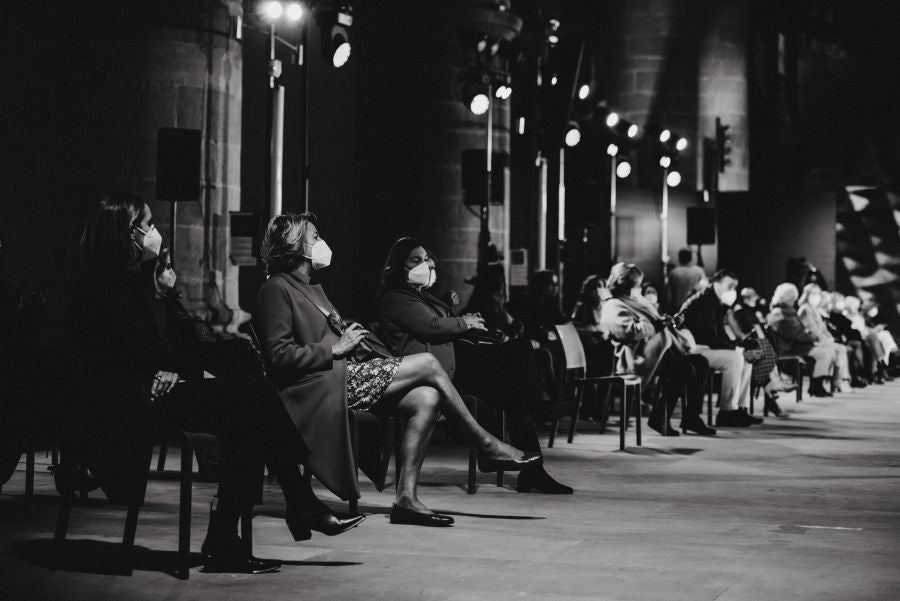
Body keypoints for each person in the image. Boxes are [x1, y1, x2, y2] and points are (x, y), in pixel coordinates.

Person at [64, 195, 364, 575]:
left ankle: (238, 533)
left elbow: (190, 343)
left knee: (249, 417)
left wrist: (171, 303)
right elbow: (124, 351)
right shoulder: (99, 287)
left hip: (159, 389)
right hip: (125, 401)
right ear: (129, 234)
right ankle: (294, 504)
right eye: (149, 225)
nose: (156, 232)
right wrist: (168, 365)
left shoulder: (143, 282)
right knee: (252, 402)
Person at [255, 214, 539, 527]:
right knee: (429, 364)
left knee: (427, 397)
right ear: (296, 246)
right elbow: (278, 356)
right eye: (315, 236)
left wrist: (347, 335)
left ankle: (406, 499)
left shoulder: (310, 288)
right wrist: (335, 348)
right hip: (318, 386)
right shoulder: (276, 289)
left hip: (343, 375)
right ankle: (485, 443)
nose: (322, 242)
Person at [377, 237, 571, 494]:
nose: (425, 264)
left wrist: (461, 317)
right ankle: (541, 411)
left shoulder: (420, 296)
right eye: (415, 260)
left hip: (455, 362)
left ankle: (533, 470)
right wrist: (465, 321)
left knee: (516, 384)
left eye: (425, 259)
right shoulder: (396, 297)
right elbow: (432, 327)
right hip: (437, 372)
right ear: (399, 265)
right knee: (519, 355)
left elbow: (441, 322)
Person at [600, 263, 712, 437]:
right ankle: (660, 418)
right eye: (637, 285)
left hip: (658, 351)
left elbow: (655, 322)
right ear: (626, 284)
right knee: (685, 370)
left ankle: (691, 417)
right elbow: (629, 331)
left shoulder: (637, 300)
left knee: (701, 363)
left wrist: (667, 322)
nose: (639, 288)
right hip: (638, 356)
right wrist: (656, 325)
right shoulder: (613, 305)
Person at [679, 270, 760, 428]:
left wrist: (739, 345)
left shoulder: (715, 302)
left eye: (734, 287)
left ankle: (739, 408)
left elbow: (718, 335)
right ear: (715, 283)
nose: (732, 291)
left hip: (705, 346)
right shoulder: (704, 302)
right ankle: (726, 412)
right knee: (735, 358)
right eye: (729, 286)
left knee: (744, 357)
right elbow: (710, 336)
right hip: (694, 349)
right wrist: (737, 346)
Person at [766, 283, 835, 397]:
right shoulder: (780, 313)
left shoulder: (789, 311)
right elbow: (794, 334)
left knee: (827, 350)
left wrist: (813, 339)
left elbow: (799, 331)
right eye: (791, 295)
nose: (795, 298)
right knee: (823, 353)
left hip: (796, 344)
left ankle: (817, 385)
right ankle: (816, 386)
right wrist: (813, 339)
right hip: (788, 347)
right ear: (783, 296)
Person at [797, 283, 851, 393]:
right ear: (807, 295)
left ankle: (838, 379)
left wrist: (829, 337)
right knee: (832, 350)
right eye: (814, 294)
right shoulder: (805, 309)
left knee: (841, 349)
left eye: (818, 294)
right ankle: (821, 384)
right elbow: (812, 329)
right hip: (810, 341)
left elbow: (823, 328)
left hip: (819, 339)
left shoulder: (815, 309)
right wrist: (825, 340)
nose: (816, 297)